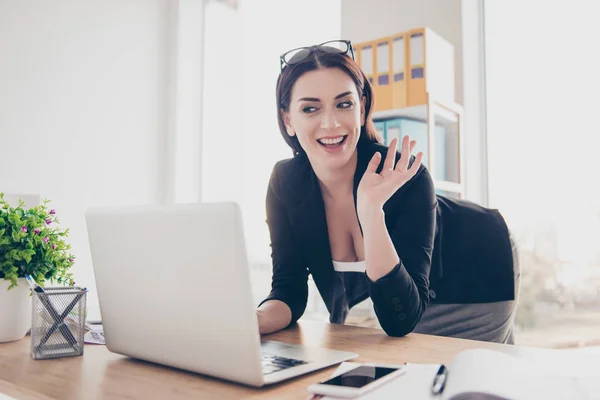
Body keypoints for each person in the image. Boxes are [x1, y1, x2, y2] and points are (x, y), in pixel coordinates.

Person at [256, 40, 520, 344]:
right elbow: (288, 289)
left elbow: (401, 320)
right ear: (289, 120)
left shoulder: (404, 173)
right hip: (393, 295)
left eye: (344, 104)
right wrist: (255, 320)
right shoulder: (284, 183)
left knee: (462, 379)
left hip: (474, 270)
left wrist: (371, 214)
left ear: (363, 107)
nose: (330, 122)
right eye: (310, 108)